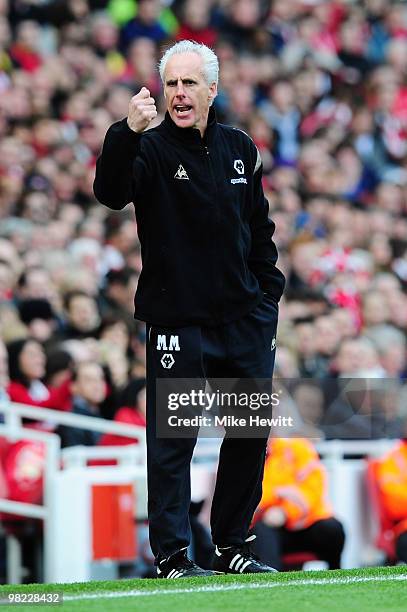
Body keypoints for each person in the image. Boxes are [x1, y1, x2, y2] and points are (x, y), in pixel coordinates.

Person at [94, 40, 285, 579]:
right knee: (175, 440)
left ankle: (231, 545)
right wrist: (125, 132)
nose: (178, 93)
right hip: (178, 320)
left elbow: (259, 229)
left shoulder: (241, 148)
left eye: (188, 83)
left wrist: (268, 294)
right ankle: (175, 556)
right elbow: (108, 193)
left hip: (244, 317)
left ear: (212, 90)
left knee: (249, 434)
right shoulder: (148, 149)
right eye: (171, 83)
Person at [252, 438, 345, 570]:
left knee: (332, 528)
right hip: (271, 527)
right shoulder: (247, 457)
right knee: (261, 531)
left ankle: (336, 572)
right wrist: (277, 494)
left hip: (307, 523)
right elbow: (253, 498)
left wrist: (285, 512)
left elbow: (311, 491)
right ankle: (270, 578)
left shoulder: (298, 448)